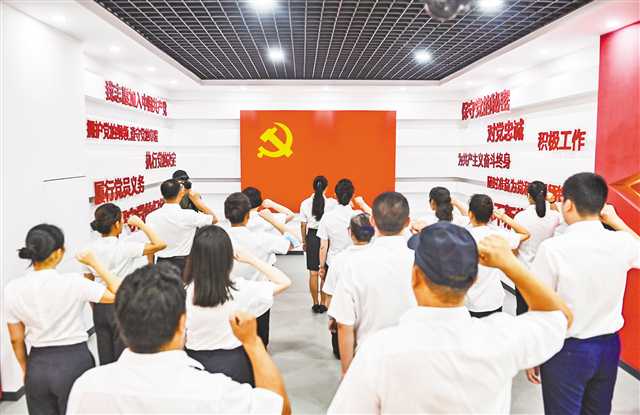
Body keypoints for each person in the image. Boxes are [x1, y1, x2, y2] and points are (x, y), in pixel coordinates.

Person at [328, 223, 573, 414]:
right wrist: (510, 264)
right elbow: (562, 316)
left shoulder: (379, 350)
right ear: (473, 280)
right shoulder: (501, 337)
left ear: (415, 276)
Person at [66, 263, 291, 415]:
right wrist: (253, 343)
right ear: (183, 322)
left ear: (121, 322)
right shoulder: (216, 392)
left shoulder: (86, 387)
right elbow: (279, 408)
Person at [527, 172, 640, 415]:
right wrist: (617, 222)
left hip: (565, 349)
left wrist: (533, 351)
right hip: (608, 347)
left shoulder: (553, 249)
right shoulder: (621, 242)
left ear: (568, 204)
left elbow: (539, 305)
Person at [4, 224, 120, 415]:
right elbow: (120, 292)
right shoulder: (74, 282)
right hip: (74, 361)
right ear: (59, 252)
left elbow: (16, 338)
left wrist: (27, 369)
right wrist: (95, 263)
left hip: (38, 365)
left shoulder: (12, 289)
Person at [183, 225, 292, 385]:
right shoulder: (240, 289)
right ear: (228, 257)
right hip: (234, 363)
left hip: (194, 364)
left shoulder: (183, 291)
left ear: (194, 256)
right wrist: (251, 259)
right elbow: (284, 282)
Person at [328, 192, 415, 374]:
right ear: (408, 222)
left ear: (373, 221)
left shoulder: (354, 264)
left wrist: (346, 372)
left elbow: (344, 323)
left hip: (369, 358)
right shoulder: (421, 262)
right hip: (411, 356)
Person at [83, 204, 167, 365]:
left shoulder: (89, 249)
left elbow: (88, 282)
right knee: (124, 356)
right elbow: (160, 244)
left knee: (105, 357)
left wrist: (95, 305)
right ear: (116, 224)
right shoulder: (125, 247)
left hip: (101, 306)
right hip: (123, 304)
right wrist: (141, 224)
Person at [224, 192, 295, 347]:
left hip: (229, 298)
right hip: (259, 298)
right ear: (247, 216)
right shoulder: (261, 239)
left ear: (226, 215)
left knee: (233, 342)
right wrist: (272, 220)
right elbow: (295, 240)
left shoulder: (220, 238)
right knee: (259, 344)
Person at [465, 194, 530, 318]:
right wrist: (503, 217)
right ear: (491, 216)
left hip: (469, 301)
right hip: (493, 299)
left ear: (470, 213)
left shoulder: (461, 236)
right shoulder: (498, 236)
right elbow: (525, 234)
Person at [322, 213, 374, 359]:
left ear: (350, 232)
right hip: (372, 321)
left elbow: (330, 294)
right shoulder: (380, 257)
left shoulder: (339, 260)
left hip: (344, 322)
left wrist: (332, 318)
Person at [317, 179, 370, 313]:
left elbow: (323, 246)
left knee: (333, 299)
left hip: (333, 262)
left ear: (335, 195)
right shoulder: (357, 215)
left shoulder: (327, 217)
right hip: (356, 262)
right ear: (352, 195)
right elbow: (375, 218)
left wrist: (321, 267)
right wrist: (362, 203)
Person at [146, 179, 217, 274]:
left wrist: (150, 266)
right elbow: (214, 219)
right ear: (181, 193)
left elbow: (151, 244)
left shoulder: (151, 217)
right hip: (184, 265)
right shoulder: (189, 215)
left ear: (162, 194)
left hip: (161, 264)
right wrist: (197, 201)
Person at [512, 181, 562, 314]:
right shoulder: (554, 216)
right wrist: (552, 202)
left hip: (524, 272)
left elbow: (515, 247)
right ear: (545, 195)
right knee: (542, 312)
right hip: (546, 273)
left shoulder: (520, 217)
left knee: (522, 311)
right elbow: (559, 220)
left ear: (528, 196)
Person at [299, 176, 338, 312]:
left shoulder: (305, 203)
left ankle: (315, 303)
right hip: (326, 238)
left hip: (312, 237)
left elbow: (303, 225)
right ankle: (324, 303)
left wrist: (304, 241)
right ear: (326, 188)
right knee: (324, 272)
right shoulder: (332, 203)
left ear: (313, 187)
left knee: (313, 273)